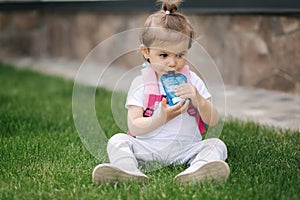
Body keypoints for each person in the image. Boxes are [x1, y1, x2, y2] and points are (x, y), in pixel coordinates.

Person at [92, 0, 230, 185]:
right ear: (146, 52)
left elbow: (213, 121)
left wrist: (199, 100)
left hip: (186, 148)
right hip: (148, 149)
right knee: (117, 141)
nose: (172, 63)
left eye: (180, 55)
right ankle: (128, 169)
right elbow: (134, 127)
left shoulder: (193, 81)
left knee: (216, 144)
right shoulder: (140, 84)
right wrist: (160, 118)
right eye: (164, 55)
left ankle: (198, 169)